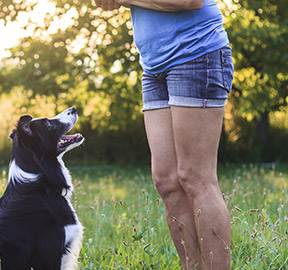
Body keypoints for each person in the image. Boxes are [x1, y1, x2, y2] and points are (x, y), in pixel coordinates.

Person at [94, 0, 233, 269]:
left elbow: (189, 1)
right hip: (154, 66)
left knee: (195, 177)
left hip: (195, 54)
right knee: (166, 180)